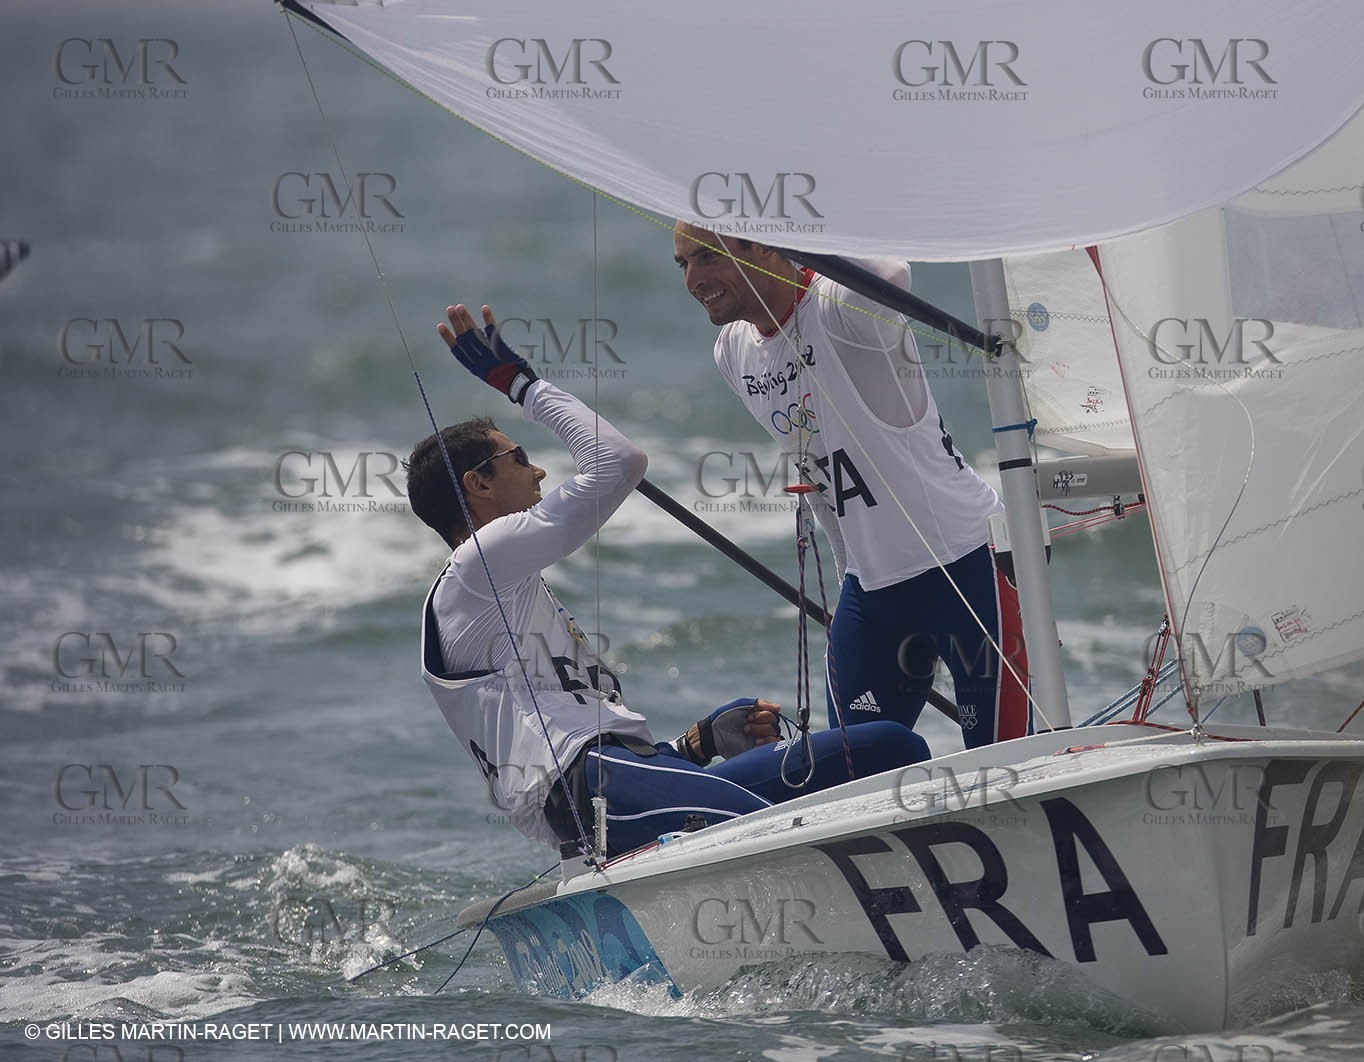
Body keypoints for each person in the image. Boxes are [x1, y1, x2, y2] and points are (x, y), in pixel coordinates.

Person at [409, 303, 928, 856]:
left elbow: (613, 748)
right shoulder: (476, 568)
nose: (537, 470)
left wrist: (697, 743)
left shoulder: (507, 588)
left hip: (621, 774)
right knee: (775, 831)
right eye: (519, 457)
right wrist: (523, 386)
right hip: (586, 790)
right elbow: (619, 461)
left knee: (890, 748)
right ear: (479, 485)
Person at [672, 223, 1032, 750]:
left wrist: (785, 223)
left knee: (1006, 762)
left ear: (766, 245)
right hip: (871, 594)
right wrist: (848, 576)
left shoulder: (839, 307)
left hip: (968, 565)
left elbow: (892, 271)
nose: (692, 280)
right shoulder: (733, 351)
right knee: (848, 769)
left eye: (707, 258)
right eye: (683, 263)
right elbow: (818, 477)